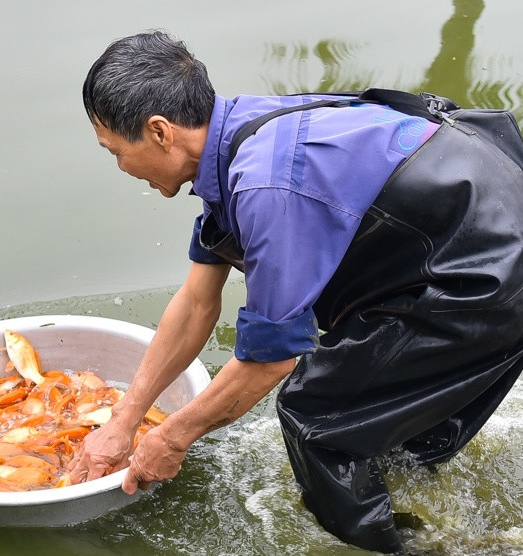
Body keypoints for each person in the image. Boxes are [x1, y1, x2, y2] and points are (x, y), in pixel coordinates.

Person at [66, 30, 523, 553]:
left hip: (487, 276)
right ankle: (445, 529)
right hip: (480, 235)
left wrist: (169, 439)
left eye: (116, 152)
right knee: (399, 439)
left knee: (315, 417)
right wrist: (124, 423)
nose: (121, 168)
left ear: (160, 132)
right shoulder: (243, 129)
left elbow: (271, 362)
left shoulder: (266, 185)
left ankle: (387, 549)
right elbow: (196, 303)